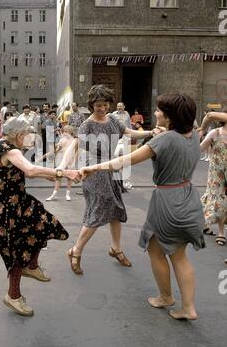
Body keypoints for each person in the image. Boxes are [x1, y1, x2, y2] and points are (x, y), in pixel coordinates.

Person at [81, 94, 206, 321]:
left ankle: (166, 297)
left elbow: (123, 161)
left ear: (170, 118)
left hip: (168, 200)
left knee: (156, 250)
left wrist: (93, 168)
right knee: (179, 255)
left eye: (159, 111)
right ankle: (188, 307)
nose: (155, 113)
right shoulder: (194, 137)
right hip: (189, 196)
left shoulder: (164, 140)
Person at [0, 117, 80, 316]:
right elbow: (31, 170)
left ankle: (32, 265)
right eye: (27, 135)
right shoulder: (11, 150)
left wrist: (56, 174)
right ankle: (13, 296)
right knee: (18, 250)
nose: (29, 139)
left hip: (18, 202)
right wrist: (63, 173)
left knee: (46, 224)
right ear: (19, 135)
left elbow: (22, 172)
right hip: (9, 209)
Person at [59, 85, 159, 275]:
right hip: (93, 171)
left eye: (105, 105)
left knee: (116, 209)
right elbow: (74, 146)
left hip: (112, 169)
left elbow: (129, 132)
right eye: (98, 105)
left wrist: (149, 132)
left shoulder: (113, 119)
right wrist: (62, 166)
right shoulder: (87, 124)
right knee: (99, 209)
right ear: (91, 105)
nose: (102, 108)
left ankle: (115, 248)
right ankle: (75, 250)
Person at [200, 109, 227, 246]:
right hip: (216, 173)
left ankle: (203, 222)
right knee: (219, 198)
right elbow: (200, 148)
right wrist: (201, 131)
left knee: (214, 198)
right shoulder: (215, 133)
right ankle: (221, 232)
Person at [45, 125, 76, 202]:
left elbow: (75, 153)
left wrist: (74, 163)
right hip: (62, 160)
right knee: (59, 177)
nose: (64, 133)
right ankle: (55, 194)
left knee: (68, 178)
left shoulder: (73, 140)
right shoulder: (63, 140)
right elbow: (57, 150)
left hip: (69, 160)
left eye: (66, 131)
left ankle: (67, 194)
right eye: (64, 131)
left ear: (70, 132)